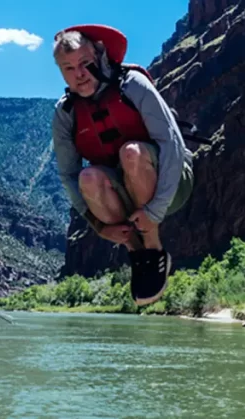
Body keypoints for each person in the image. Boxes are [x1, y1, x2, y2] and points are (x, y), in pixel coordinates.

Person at [51, 24, 194, 306]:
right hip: (123, 193)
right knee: (87, 177)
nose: (79, 74)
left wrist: (155, 210)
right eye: (68, 68)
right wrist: (99, 227)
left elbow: (172, 145)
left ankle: (153, 248)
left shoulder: (132, 85)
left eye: (84, 63)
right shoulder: (65, 112)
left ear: (99, 55)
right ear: (61, 73)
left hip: (172, 183)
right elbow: (68, 174)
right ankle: (136, 252)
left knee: (131, 153)